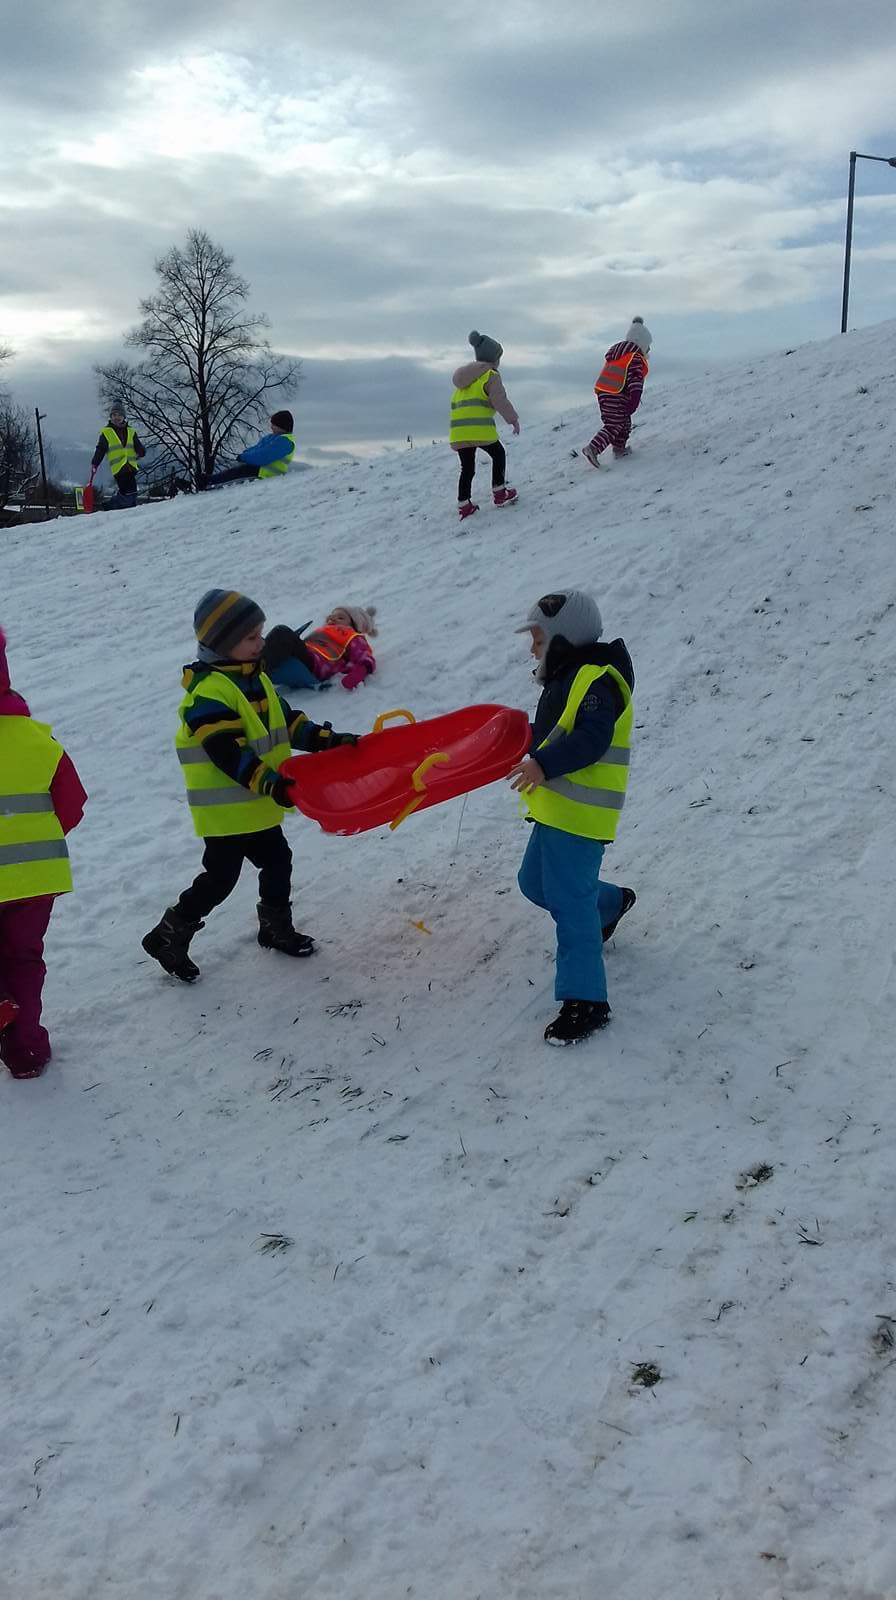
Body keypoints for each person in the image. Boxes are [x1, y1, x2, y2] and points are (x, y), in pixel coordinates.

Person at [142, 589, 358, 983]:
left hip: (255, 806)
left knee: (277, 861)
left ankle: (275, 928)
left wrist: (329, 741)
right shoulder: (210, 693)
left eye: (260, 633)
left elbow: (288, 723)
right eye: (250, 637)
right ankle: (168, 934)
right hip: (226, 813)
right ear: (223, 643)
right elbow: (227, 753)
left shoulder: (254, 678)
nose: (261, 642)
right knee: (220, 879)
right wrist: (270, 783)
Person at [509, 591, 636, 1046]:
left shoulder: (596, 679)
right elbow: (553, 732)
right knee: (535, 883)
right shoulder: (567, 678)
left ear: (564, 638)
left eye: (539, 639)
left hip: (582, 814)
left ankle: (587, 1001)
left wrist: (543, 764)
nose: (533, 649)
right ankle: (610, 904)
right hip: (556, 809)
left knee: (569, 902)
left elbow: (592, 739)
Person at [0, 626, 87, 1078]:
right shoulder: (37, 739)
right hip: (36, 876)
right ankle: (26, 1051)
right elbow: (72, 803)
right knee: (24, 959)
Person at [450, 331, 520, 522]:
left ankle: (464, 504)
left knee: (467, 467)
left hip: (458, 432)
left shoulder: (464, 381)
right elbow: (500, 400)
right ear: (493, 359)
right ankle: (500, 493)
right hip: (479, 428)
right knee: (498, 454)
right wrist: (513, 419)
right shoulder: (490, 375)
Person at [582, 317, 652, 469]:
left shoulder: (619, 355)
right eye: (648, 346)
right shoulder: (634, 357)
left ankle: (619, 448)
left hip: (604, 393)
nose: (648, 350)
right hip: (616, 394)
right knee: (615, 424)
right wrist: (635, 398)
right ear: (642, 343)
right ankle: (593, 448)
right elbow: (635, 379)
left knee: (623, 422)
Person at [265, 606, 378, 694]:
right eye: (331, 617)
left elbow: (364, 655)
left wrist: (359, 672)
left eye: (340, 618)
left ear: (354, 626)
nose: (333, 619)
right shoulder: (323, 631)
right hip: (304, 658)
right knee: (266, 640)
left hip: (315, 663)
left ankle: (258, 666)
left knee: (281, 631)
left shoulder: (351, 635)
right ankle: (259, 667)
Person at [199, 411, 296, 489]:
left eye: (274, 425)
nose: (271, 427)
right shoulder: (271, 438)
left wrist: (244, 457)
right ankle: (209, 480)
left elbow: (263, 456)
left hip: (267, 473)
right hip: (258, 469)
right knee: (235, 470)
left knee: (238, 472)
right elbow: (256, 449)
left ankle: (209, 482)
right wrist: (244, 455)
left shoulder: (285, 442)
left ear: (281, 426)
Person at [91, 403, 146, 509]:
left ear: (124, 417)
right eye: (114, 415)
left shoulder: (131, 431)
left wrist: (141, 451)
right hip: (119, 468)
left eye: (119, 415)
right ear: (111, 417)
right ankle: (110, 506)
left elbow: (137, 445)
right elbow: (101, 449)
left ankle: (128, 508)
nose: (117, 417)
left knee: (131, 492)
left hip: (131, 466)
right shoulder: (107, 432)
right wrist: (95, 463)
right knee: (129, 492)